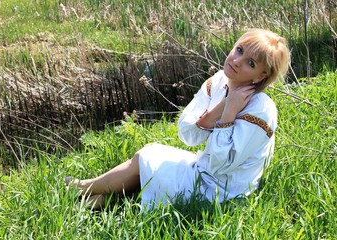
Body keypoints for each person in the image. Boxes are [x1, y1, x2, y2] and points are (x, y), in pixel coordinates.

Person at [65, 28, 291, 210]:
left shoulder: (261, 110)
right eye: (239, 50)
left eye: (251, 63)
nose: (238, 61)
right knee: (148, 157)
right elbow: (187, 134)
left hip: (224, 192)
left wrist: (230, 113)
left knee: (145, 158)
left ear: (262, 75)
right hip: (203, 168)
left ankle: (82, 189)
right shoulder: (219, 81)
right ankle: (90, 198)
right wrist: (218, 111)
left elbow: (220, 164)